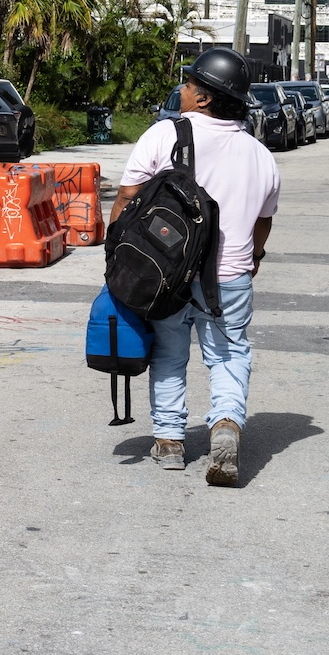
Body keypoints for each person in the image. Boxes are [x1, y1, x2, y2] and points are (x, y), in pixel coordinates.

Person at [117, 47, 280, 486]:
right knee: (229, 354)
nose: (183, 91)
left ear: (205, 97)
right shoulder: (260, 155)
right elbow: (263, 220)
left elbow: (128, 197)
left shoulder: (162, 135)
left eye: (189, 85)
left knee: (169, 354)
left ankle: (169, 442)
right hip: (230, 276)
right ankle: (226, 422)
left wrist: (117, 257)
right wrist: (255, 257)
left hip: (166, 275)